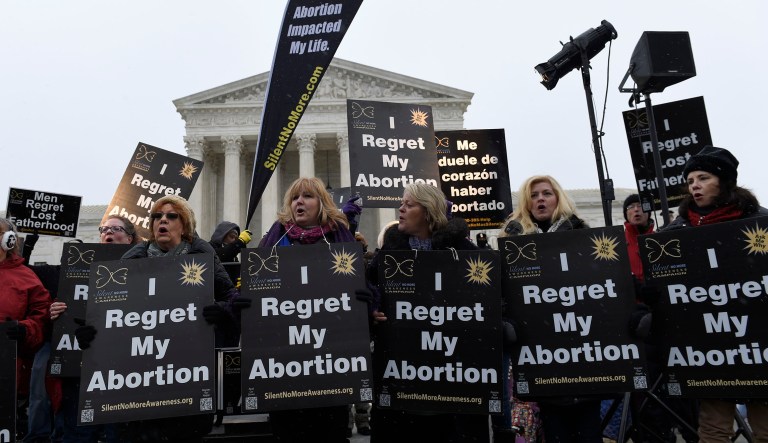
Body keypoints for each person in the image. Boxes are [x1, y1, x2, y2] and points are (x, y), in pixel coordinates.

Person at [76, 196, 242, 442]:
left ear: (184, 225)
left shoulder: (202, 255)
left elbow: (231, 298)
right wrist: (92, 334)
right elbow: (112, 317)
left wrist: (222, 311)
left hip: (186, 381)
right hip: (139, 384)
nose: (162, 220)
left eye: (171, 216)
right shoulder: (131, 262)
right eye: (156, 216)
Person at [657, 146, 768, 443]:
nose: (694, 184)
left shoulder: (758, 221)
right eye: (691, 179)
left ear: (724, 181)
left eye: (703, 177)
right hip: (708, 348)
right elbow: (660, 287)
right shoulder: (676, 231)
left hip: (757, 342)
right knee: (714, 430)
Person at [366, 182, 488, 443]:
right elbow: (368, 289)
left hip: (452, 383)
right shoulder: (391, 252)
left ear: (428, 211)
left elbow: (488, 300)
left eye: (408, 204)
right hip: (401, 382)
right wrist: (372, 311)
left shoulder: (465, 254)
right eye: (402, 203)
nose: (400, 208)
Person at [257, 177, 357, 443]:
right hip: (284, 362)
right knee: (287, 432)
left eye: (307, 196)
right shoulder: (276, 239)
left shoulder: (338, 238)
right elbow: (257, 286)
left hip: (330, 360)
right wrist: (245, 303)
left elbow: (356, 284)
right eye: (294, 198)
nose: (298, 202)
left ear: (321, 202)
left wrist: (364, 301)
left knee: (332, 432)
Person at [499, 175, 595, 443]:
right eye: (533, 195)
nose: (540, 199)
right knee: (554, 431)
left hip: (580, 346)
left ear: (558, 198)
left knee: (587, 429)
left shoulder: (581, 234)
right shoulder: (514, 241)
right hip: (539, 352)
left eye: (546, 193)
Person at [48, 215, 138, 443]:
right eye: (104, 229)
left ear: (129, 238)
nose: (108, 232)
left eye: (115, 228)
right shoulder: (78, 268)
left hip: (126, 373)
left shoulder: (144, 266)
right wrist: (57, 311)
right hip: (82, 370)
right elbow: (67, 306)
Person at [0, 218, 52, 440]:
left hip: (8, 376)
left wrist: (24, 329)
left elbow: (43, 318)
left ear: (9, 239)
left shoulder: (26, 277)